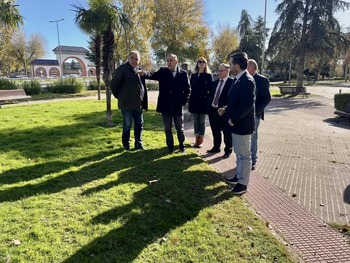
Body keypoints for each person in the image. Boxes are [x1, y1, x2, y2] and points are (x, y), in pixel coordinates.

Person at [139, 54, 190, 153]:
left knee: (180, 128)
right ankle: (170, 146)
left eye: (171, 60)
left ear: (176, 62)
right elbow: (152, 75)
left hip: (177, 106)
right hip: (165, 105)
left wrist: (183, 102)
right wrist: (143, 73)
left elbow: (188, 89)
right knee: (167, 128)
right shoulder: (163, 71)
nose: (169, 62)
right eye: (167, 61)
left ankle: (181, 145)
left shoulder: (183, 74)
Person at [221, 52, 255, 195]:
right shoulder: (238, 79)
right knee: (239, 153)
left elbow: (247, 105)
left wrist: (233, 119)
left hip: (242, 125)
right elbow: (236, 102)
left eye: (231, 64)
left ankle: (243, 184)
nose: (230, 66)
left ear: (237, 65)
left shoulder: (247, 80)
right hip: (236, 125)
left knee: (244, 155)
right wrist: (226, 109)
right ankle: (238, 177)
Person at [111, 50, 148, 151]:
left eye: (136, 59)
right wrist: (120, 97)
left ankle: (138, 144)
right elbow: (114, 85)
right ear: (128, 58)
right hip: (126, 104)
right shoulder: (122, 69)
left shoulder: (139, 70)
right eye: (132, 58)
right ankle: (126, 145)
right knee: (127, 125)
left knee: (139, 124)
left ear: (139, 61)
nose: (134, 60)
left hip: (138, 104)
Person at [247, 59, 271, 170]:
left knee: (253, 137)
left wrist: (257, 111)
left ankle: (252, 160)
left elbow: (267, 98)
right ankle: (245, 159)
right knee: (245, 138)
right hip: (244, 115)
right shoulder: (245, 79)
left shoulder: (262, 80)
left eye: (247, 66)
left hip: (255, 115)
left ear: (252, 68)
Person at [206, 63, 233, 158]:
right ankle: (216, 147)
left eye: (221, 71)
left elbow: (232, 99)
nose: (219, 73)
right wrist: (208, 109)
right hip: (213, 111)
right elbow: (211, 97)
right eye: (219, 70)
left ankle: (228, 150)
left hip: (224, 112)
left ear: (227, 71)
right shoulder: (215, 83)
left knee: (226, 132)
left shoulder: (232, 83)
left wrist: (226, 109)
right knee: (215, 131)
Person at [188, 57, 213, 148]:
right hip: (194, 102)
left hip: (204, 102)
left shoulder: (208, 76)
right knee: (195, 122)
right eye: (200, 62)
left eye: (203, 62)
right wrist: (189, 101)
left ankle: (201, 140)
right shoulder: (193, 76)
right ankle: (196, 140)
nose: (202, 63)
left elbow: (211, 91)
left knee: (202, 122)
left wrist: (209, 103)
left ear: (205, 64)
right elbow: (191, 89)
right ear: (197, 64)